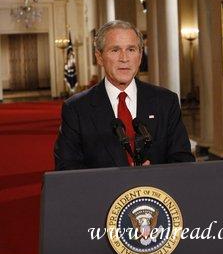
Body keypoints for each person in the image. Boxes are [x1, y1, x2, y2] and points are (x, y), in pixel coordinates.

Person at [54, 20, 195, 171]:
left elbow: (183, 160)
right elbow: (67, 168)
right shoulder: (76, 109)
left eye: (131, 50)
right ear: (99, 57)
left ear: (140, 57)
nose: (124, 58)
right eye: (115, 50)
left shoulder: (166, 102)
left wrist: (155, 175)